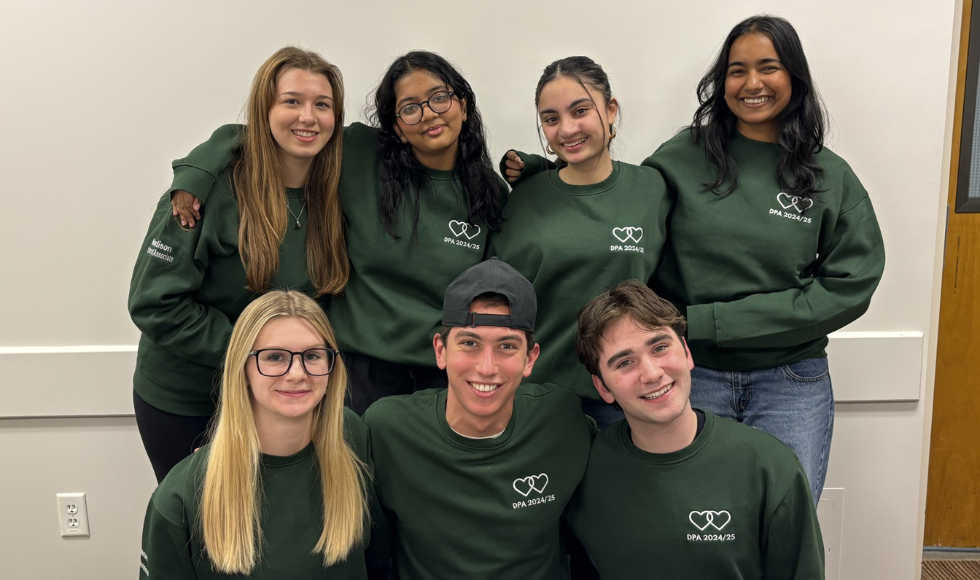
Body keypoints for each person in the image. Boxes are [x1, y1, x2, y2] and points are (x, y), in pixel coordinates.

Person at [505, 16, 885, 501]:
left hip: (791, 381)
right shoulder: (685, 154)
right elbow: (619, 196)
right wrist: (548, 176)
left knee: (782, 522)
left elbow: (852, 284)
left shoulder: (828, 176)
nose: (751, 83)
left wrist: (707, 321)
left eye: (768, 67)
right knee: (689, 523)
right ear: (721, 81)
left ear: (794, 76)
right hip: (690, 373)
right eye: (736, 70)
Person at [166, 51, 508, 414]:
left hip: (441, 376)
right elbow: (266, 132)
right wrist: (194, 172)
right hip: (355, 373)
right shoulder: (361, 154)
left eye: (440, 98)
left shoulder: (490, 193)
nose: (428, 114)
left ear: (464, 104)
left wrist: (532, 168)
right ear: (395, 126)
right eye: (410, 107)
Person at [129, 47, 348, 482]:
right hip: (191, 401)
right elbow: (155, 304)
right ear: (264, 109)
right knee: (204, 533)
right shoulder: (205, 195)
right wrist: (253, 354)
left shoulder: (336, 194)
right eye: (291, 101)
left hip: (280, 397)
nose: (308, 117)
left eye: (322, 105)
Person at [569, 280, 825, 579]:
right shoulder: (583, 472)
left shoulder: (770, 467)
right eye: (625, 362)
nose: (652, 373)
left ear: (687, 353)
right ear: (602, 386)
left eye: (660, 347)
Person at [363, 258, 595, 579]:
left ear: (530, 359)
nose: (487, 367)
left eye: (507, 346)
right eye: (470, 343)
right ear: (441, 351)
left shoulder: (563, 421)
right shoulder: (387, 430)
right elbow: (374, 553)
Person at [138, 291, 373, 579]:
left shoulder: (356, 441)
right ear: (243, 370)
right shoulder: (180, 498)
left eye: (312, 355)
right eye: (274, 357)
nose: (297, 373)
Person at [488, 56, 669, 429]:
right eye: (551, 118)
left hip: (629, 397)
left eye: (580, 110)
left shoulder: (652, 189)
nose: (567, 129)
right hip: (536, 399)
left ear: (611, 109)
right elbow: (498, 302)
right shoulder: (524, 199)